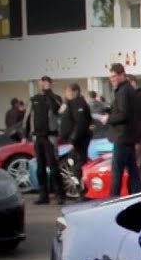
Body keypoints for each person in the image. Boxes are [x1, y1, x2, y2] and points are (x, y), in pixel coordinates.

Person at [24, 76, 65, 204]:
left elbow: (56, 109)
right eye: (42, 83)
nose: (43, 85)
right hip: (38, 137)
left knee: (54, 166)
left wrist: (48, 92)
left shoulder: (55, 98)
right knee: (40, 167)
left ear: (50, 84)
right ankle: (43, 195)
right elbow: (27, 117)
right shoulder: (34, 99)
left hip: (50, 136)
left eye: (46, 83)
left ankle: (59, 194)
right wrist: (25, 135)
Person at [105, 63, 141, 196]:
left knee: (117, 172)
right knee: (133, 171)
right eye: (111, 77)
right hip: (128, 137)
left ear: (122, 75)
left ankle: (113, 200)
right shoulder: (128, 90)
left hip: (122, 137)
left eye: (114, 76)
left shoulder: (123, 91)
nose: (112, 79)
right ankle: (138, 196)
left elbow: (123, 114)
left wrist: (108, 119)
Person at [59, 83, 92, 199]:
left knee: (77, 167)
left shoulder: (79, 104)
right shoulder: (70, 104)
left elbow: (80, 124)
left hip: (79, 142)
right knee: (73, 166)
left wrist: (73, 140)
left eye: (69, 91)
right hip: (72, 141)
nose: (67, 94)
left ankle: (82, 192)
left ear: (76, 92)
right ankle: (80, 191)